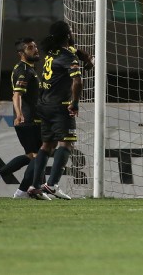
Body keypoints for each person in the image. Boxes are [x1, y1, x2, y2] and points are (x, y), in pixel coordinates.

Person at [0, 38, 48, 199]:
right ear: (21, 53)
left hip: (34, 119)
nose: (35, 49)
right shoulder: (23, 70)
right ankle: (24, 191)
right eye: (30, 48)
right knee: (38, 155)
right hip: (28, 120)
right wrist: (19, 114)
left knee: (31, 156)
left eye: (35, 46)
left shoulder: (30, 69)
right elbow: (17, 95)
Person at [27, 21, 83, 200]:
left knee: (46, 145)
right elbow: (77, 81)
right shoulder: (68, 56)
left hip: (44, 104)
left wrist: (87, 58)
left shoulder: (51, 53)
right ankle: (51, 185)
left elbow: (74, 51)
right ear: (67, 35)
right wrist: (74, 103)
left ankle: (35, 186)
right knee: (66, 143)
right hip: (60, 106)